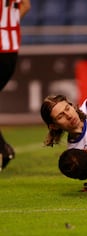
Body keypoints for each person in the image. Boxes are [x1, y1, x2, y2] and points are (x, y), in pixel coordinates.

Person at [0, 0, 31, 171]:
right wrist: (9, 23)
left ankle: (3, 150)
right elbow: (26, 5)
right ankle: (4, 149)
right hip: (10, 49)